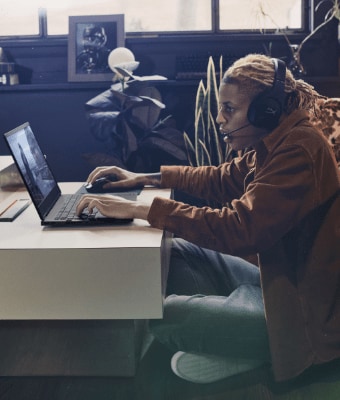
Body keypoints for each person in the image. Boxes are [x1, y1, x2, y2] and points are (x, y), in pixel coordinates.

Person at [76, 54, 340, 384]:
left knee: (163, 313)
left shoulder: (298, 151)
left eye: (230, 109)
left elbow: (240, 229)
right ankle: (231, 340)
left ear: (266, 109)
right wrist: (142, 178)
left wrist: (139, 209)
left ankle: (255, 352)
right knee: (177, 252)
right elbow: (220, 177)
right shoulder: (276, 142)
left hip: (297, 319)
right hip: (273, 285)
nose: (219, 118)